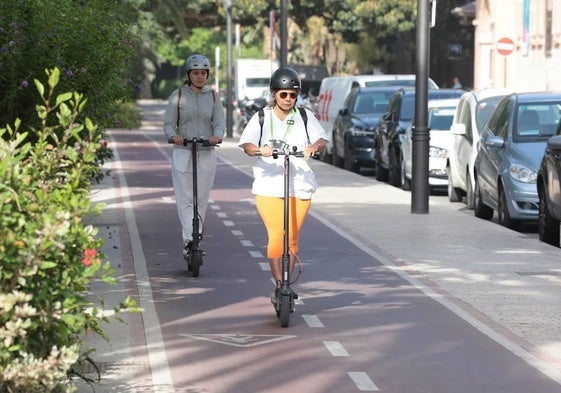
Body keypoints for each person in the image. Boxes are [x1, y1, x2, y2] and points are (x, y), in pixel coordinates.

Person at [238, 67, 329, 301]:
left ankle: (287, 278)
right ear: (274, 94)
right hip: (269, 186)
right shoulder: (261, 117)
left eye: (293, 94)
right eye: (283, 94)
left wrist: (313, 147)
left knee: (292, 239)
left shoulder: (305, 116)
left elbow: (322, 139)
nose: (288, 99)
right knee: (278, 236)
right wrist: (261, 149)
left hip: (300, 184)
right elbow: (247, 145)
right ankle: (280, 285)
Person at [163, 54, 225, 257]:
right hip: (183, 151)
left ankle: (196, 236)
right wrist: (174, 136)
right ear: (188, 75)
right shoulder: (178, 95)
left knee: (201, 198)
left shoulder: (214, 97)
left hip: (206, 151)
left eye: (203, 73)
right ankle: (189, 239)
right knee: (185, 198)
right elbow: (169, 123)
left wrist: (217, 135)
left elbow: (219, 122)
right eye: (196, 73)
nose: (200, 77)